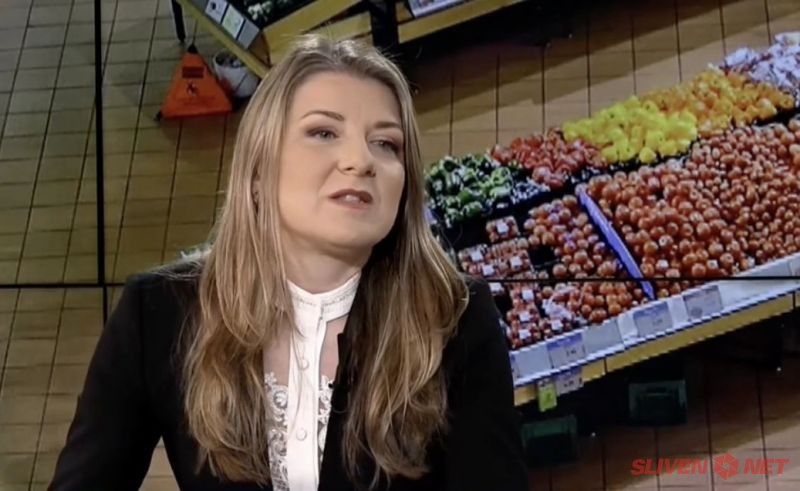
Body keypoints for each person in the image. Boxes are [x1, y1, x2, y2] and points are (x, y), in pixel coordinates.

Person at [48, 35, 527, 491]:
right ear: (258, 170)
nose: (360, 161)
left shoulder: (455, 318)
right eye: (323, 132)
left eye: (386, 144)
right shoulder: (156, 313)